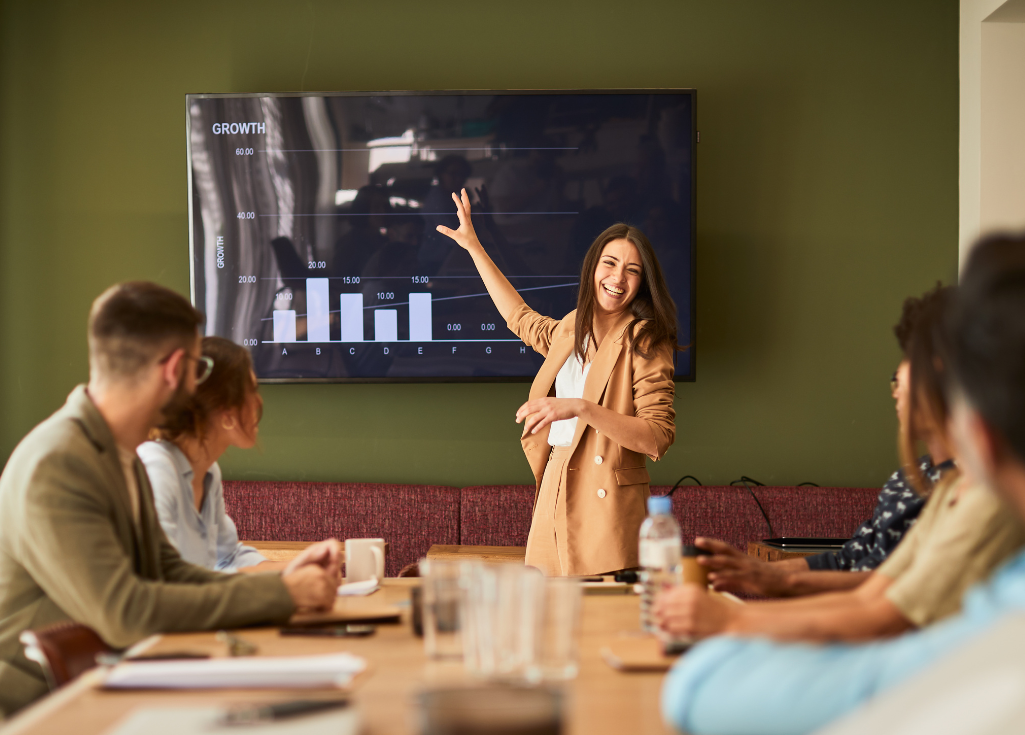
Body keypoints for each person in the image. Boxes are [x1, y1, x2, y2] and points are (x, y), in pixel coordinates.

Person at [660, 233, 1025, 735]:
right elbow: (874, 591)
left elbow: (882, 617)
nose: (896, 382)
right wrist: (768, 585)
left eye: (908, 366)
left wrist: (733, 625)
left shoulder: (988, 508)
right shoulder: (948, 492)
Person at [0, 282, 341, 718]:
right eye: (199, 368)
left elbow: (171, 571)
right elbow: (125, 613)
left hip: (104, 681)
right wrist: (284, 597)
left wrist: (279, 587)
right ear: (176, 368)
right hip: (43, 707)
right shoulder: (59, 463)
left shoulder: (119, 453)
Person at [437, 189, 677, 576]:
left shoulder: (646, 338)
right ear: (592, 269)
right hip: (556, 479)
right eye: (609, 263)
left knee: (600, 622)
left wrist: (579, 406)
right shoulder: (571, 325)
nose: (617, 278)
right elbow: (520, 318)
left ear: (643, 281)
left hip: (608, 500)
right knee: (549, 619)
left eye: (632, 270)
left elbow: (657, 436)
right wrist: (474, 248)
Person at [695, 288, 957, 599]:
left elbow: (896, 588)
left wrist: (776, 586)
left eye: (909, 366)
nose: (895, 388)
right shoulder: (906, 479)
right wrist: (752, 572)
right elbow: (846, 560)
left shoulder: (968, 490)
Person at [139, 336, 276, 572]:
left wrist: (298, 568)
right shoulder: (156, 469)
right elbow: (161, 579)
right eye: (252, 391)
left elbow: (229, 557)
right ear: (224, 412)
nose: (259, 402)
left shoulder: (208, 471)